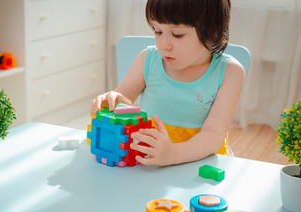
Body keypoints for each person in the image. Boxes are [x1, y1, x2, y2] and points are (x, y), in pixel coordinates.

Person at [90, 0, 244, 166]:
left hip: (200, 163)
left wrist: (174, 154)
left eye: (177, 34)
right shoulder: (148, 59)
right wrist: (112, 99)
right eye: (157, 31)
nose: (164, 45)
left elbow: (213, 135)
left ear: (213, 31)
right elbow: (123, 102)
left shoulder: (229, 72)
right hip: (149, 160)